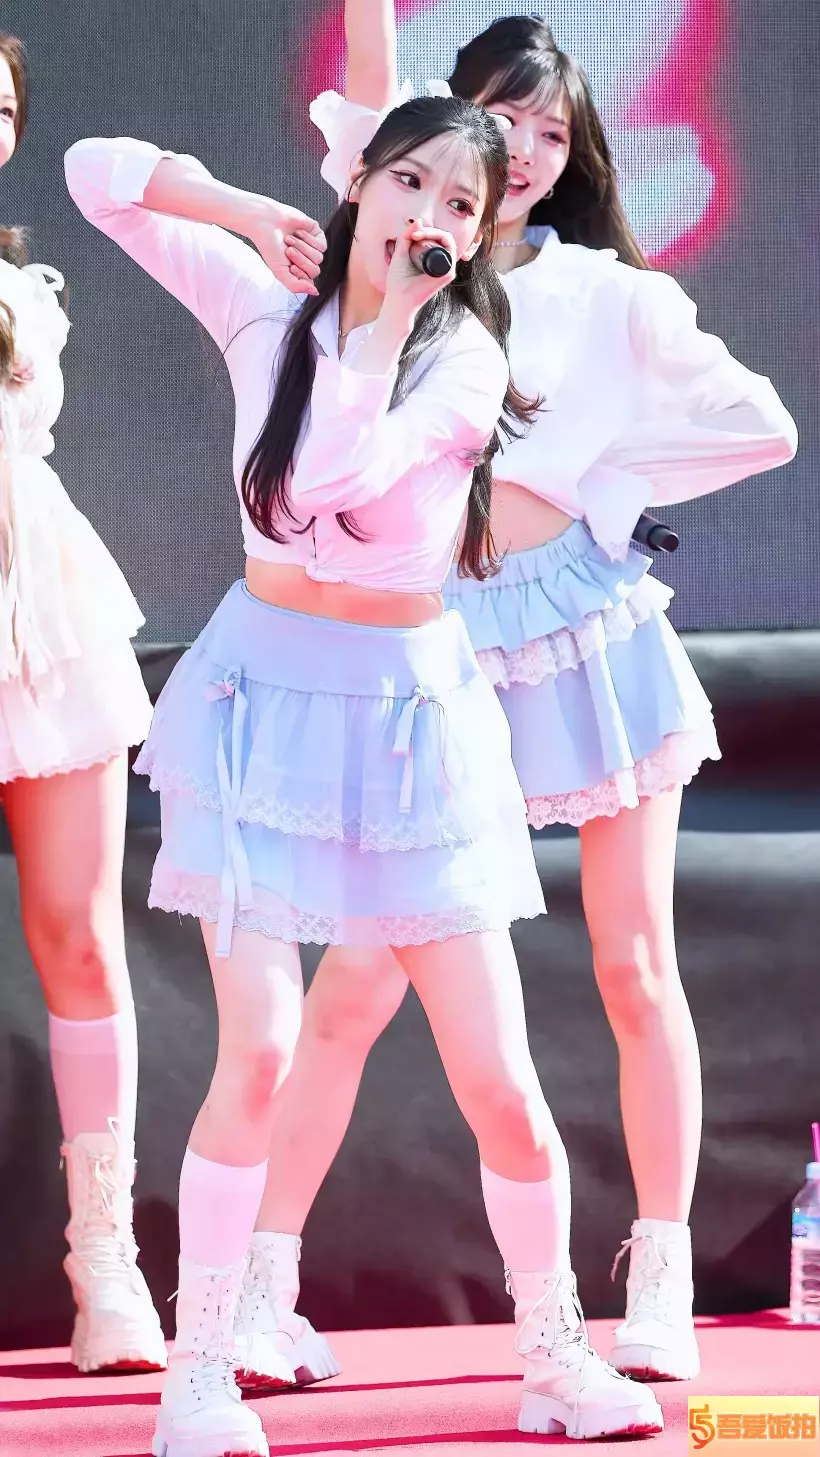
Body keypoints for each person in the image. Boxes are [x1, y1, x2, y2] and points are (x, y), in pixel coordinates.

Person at [66, 91, 664, 1453]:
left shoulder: (462, 361)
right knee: (261, 1048)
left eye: (461, 203)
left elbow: (335, 472)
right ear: (361, 184)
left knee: (497, 1074)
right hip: (259, 710)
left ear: (481, 232)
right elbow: (100, 172)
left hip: (409, 722)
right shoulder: (264, 307)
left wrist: (386, 319)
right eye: (408, 182)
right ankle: (200, 1372)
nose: (427, 216)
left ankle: (556, 1356)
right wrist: (238, 212)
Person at [233, 0, 799, 1393]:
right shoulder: (399, 255)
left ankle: (657, 1283)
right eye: (506, 121)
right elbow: (370, 109)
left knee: (634, 962)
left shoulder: (610, 293)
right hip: (432, 650)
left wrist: (601, 490)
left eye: (555, 130)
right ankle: (257, 1290)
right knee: (358, 982)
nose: (531, 152)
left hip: (591, 636)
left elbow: (763, 426)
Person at [0, 34, 166, 1375]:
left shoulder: (24, 294)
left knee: (82, 938)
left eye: (1, 109)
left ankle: (103, 1260)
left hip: (43, 615)